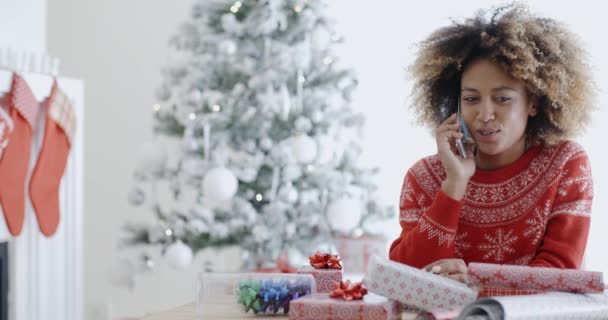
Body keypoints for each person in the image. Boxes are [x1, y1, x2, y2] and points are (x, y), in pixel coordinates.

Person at [389, 3, 595, 285]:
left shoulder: (566, 163)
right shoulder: (423, 178)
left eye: (503, 99)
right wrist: (453, 186)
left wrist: (476, 283)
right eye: (471, 99)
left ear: (533, 103)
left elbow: (558, 275)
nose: (485, 116)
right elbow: (407, 280)